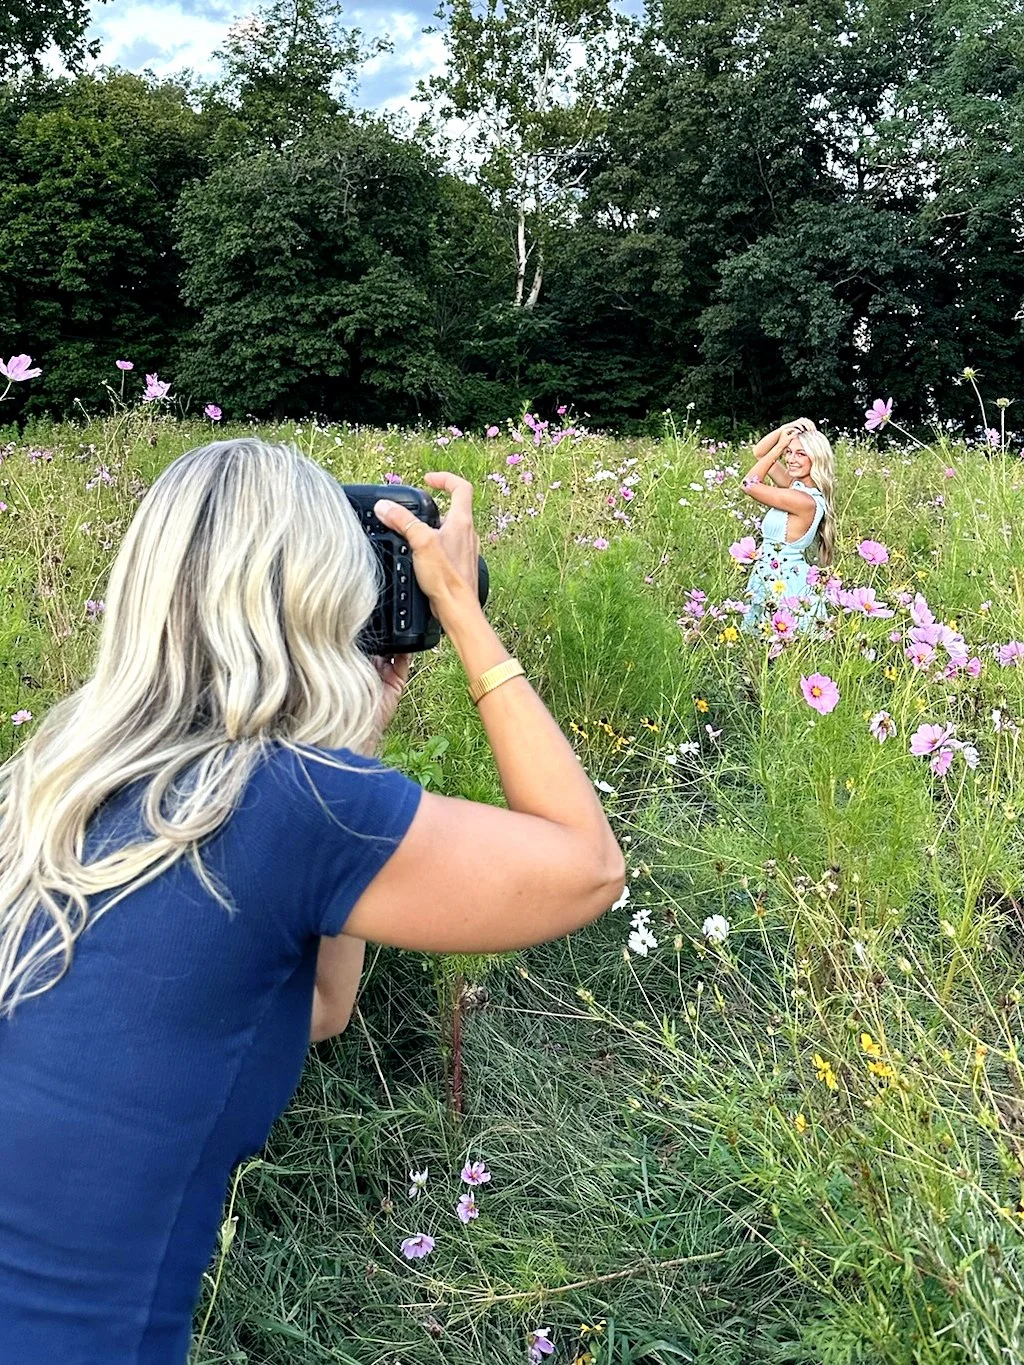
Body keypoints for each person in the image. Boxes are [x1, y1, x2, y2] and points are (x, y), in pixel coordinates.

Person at [0, 439, 626, 1363]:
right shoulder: (293, 800)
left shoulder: (48, 788)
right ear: (320, 597)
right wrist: (458, 608)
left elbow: (318, 1010)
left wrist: (348, 742)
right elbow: (588, 867)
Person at [738, 418, 837, 635]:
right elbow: (759, 452)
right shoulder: (796, 487)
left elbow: (748, 484)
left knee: (782, 651)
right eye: (789, 452)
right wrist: (788, 428)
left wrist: (781, 446)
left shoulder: (804, 500)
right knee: (764, 652)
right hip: (771, 574)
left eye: (800, 454)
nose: (791, 459)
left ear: (817, 459)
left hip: (785, 583)